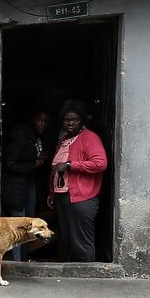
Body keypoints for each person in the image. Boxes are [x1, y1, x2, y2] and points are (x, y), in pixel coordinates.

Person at [47, 100, 107, 262]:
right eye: (67, 120)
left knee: (81, 241)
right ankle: (71, 278)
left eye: (75, 119)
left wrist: (70, 165)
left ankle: (87, 278)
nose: (71, 123)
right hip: (62, 196)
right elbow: (56, 169)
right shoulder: (64, 140)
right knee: (67, 239)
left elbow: (100, 163)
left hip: (82, 198)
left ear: (82, 121)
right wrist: (52, 192)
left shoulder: (89, 138)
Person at [1, 109, 50, 260]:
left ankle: (23, 258)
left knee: (29, 223)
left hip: (28, 184)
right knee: (20, 226)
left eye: (46, 122)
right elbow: (10, 163)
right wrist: (32, 165)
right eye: (39, 120)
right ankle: (17, 262)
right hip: (16, 187)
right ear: (32, 119)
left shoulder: (36, 137)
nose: (43, 124)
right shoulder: (21, 135)